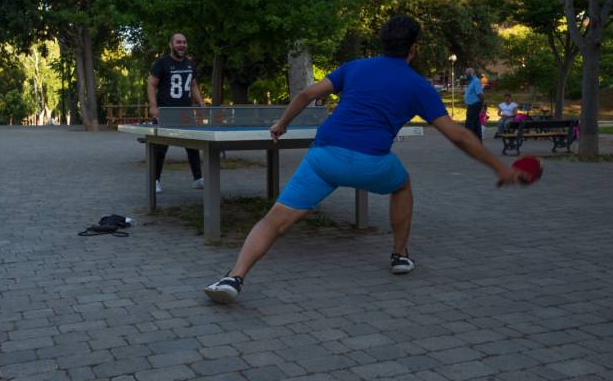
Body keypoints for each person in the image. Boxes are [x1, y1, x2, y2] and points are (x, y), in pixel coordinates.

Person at [204, 15, 524, 304]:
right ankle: (399, 255)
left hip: (324, 158)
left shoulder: (355, 67)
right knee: (402, 185)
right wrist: (499, 167)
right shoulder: (418, 85)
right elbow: (457, 135)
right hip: (372, 164)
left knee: (274, 221)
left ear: (382, 44)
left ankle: (234, 277)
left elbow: (305, 95)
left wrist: (282, 124)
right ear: (413, 49)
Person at [148, 33, 206, 192]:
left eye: (184, 42)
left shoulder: (189, 64)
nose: (182, 45)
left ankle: (198, 178)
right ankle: (154, 180)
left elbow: (193, 85)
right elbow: (151, 85)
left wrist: (201, 103)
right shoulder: (162, 63)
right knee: (160, 147)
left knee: (193, 144)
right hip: (165, 112)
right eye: (178, 42)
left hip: (185, 112)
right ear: (171, 45)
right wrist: (153, 107)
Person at [464, 67, 484, 141]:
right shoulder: (471, 81)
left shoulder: (475, 81)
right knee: (476, 124)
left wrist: (482, 104)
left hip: (475, 105)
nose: (466, 75)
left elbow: (480, 94)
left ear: (471, 73)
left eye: (467, 74)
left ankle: (468, 140)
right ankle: (478, 141)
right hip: (472, 105)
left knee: (469, 123)